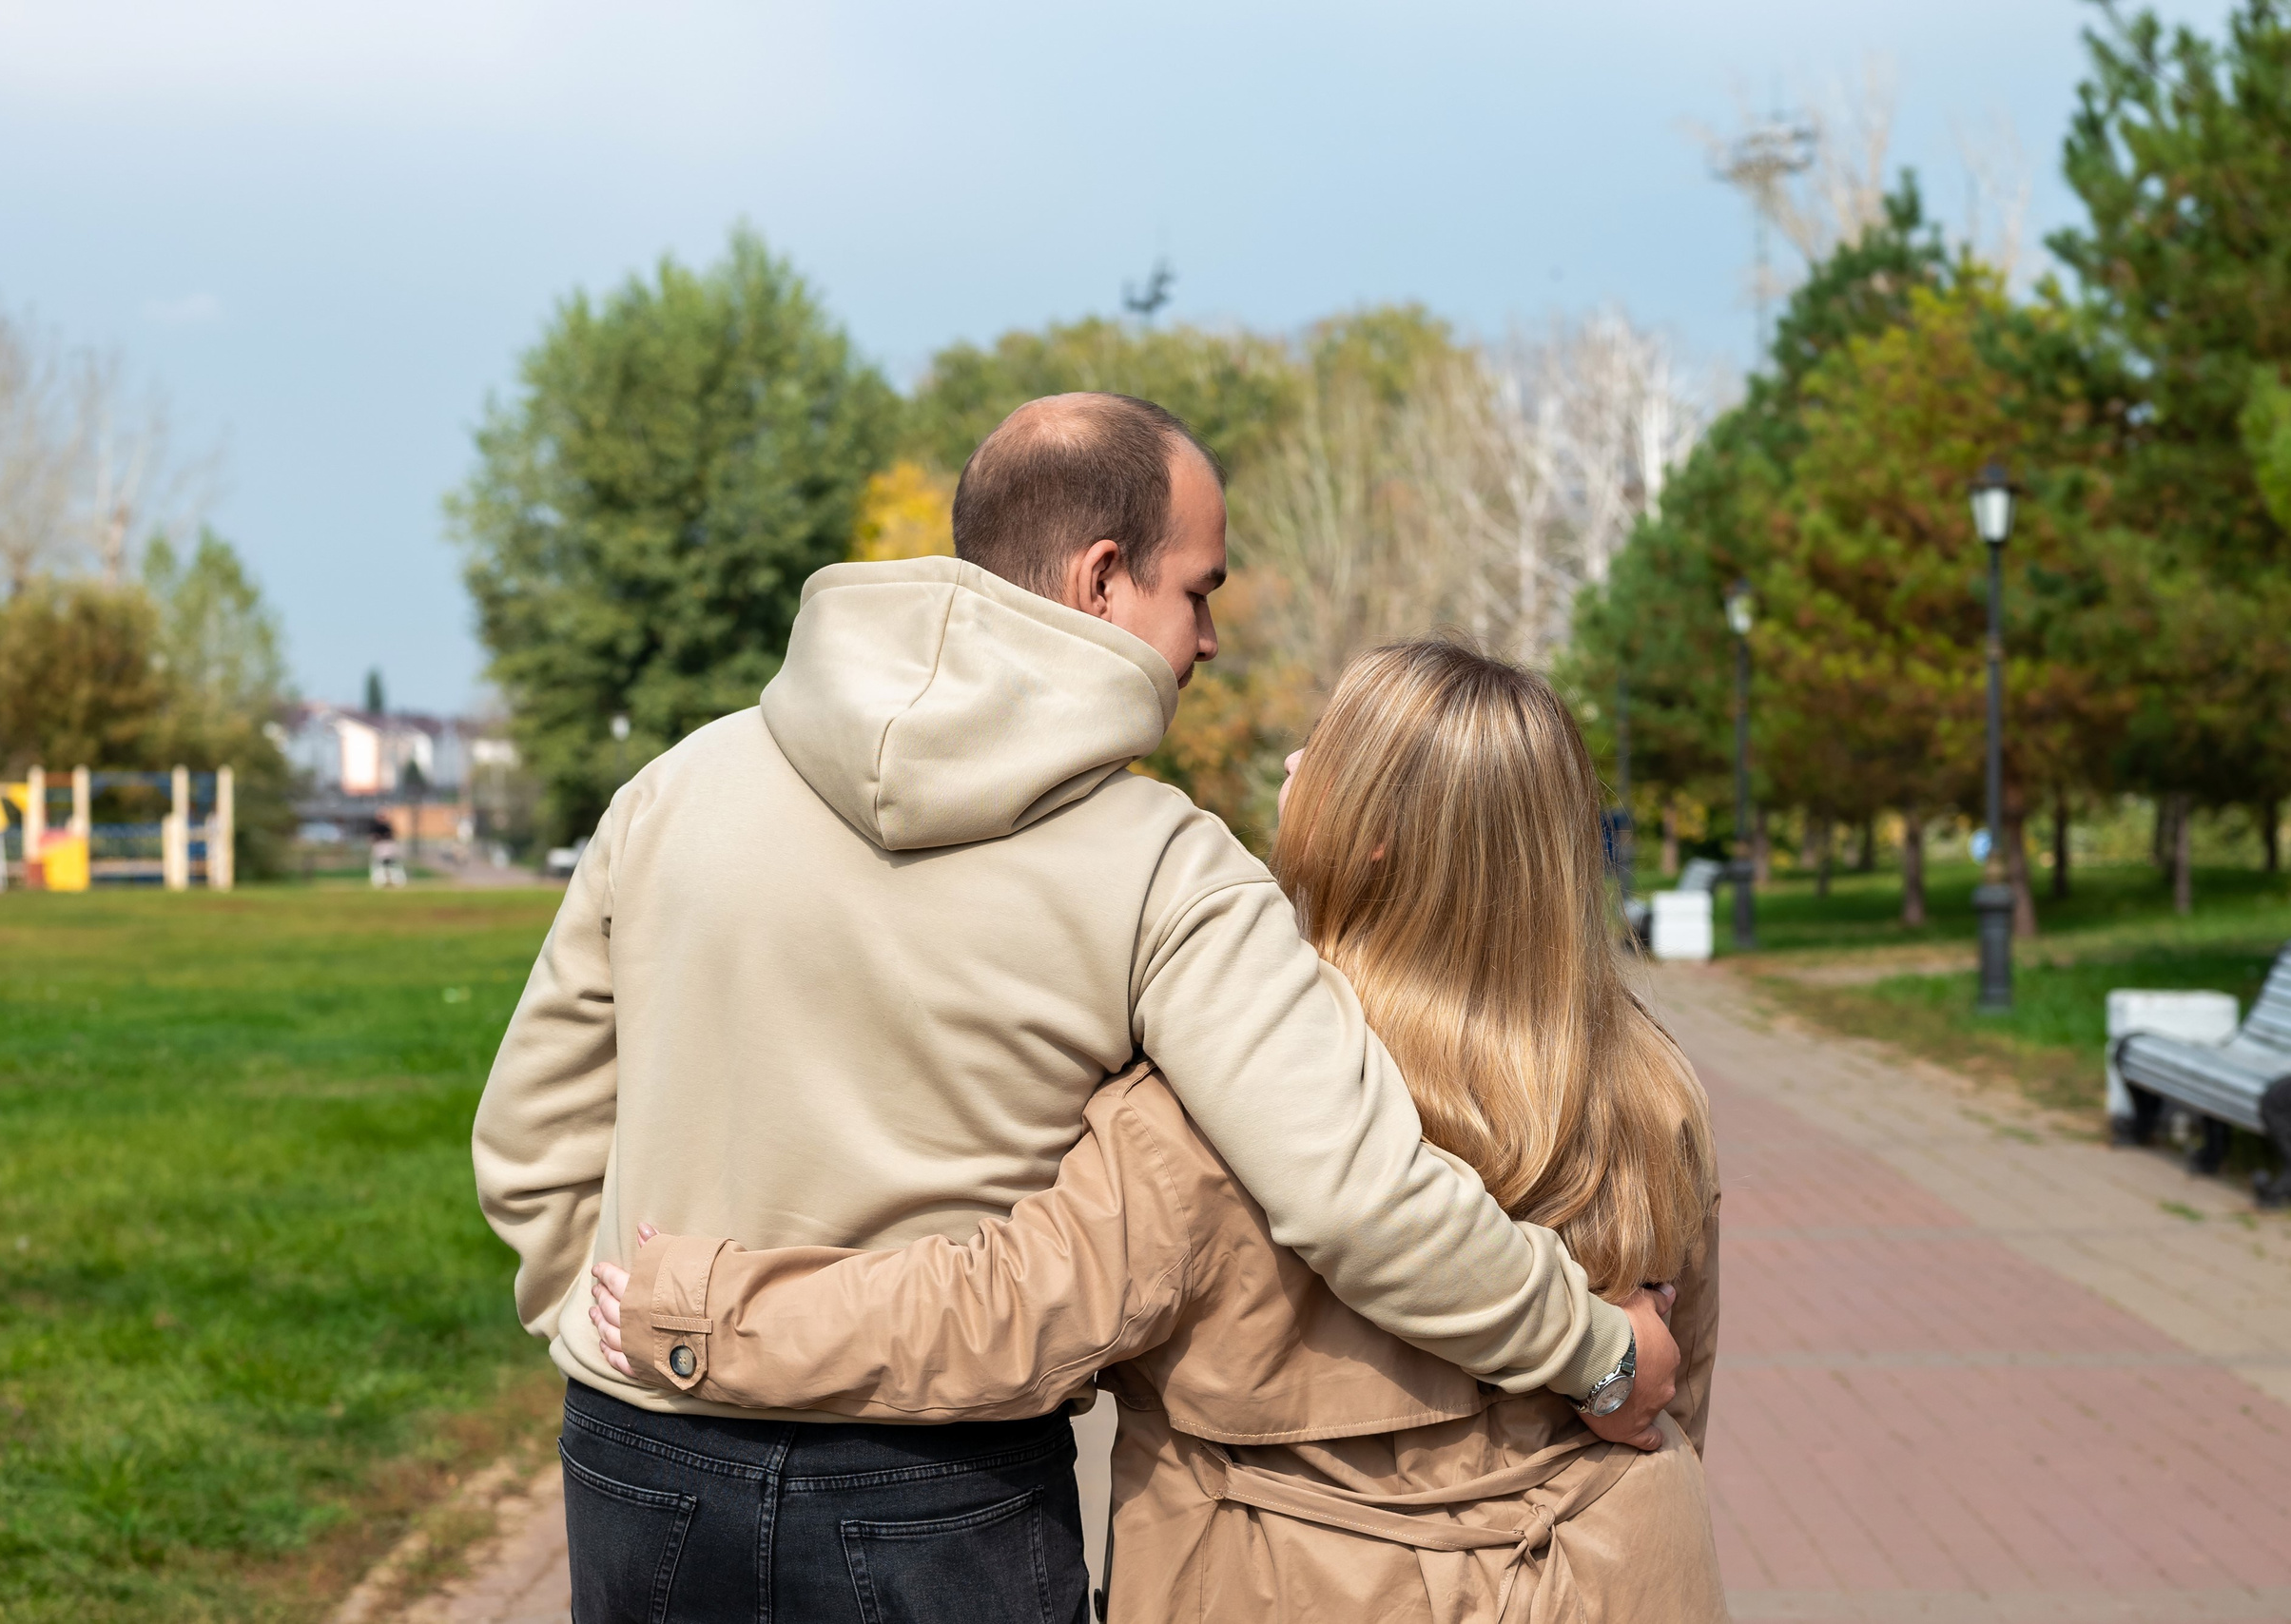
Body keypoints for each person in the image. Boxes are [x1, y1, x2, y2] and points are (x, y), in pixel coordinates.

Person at [471, 397, 1678, 1623]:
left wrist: (605, 1326)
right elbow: (1355, 1194)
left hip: (641, 1446)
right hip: (940, 1482)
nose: (1209, 639)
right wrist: (1600, 1353)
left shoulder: (676, 787)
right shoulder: (1164, 864)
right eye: (1198, 591)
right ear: (1102, 578)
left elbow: (530, 1132)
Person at [591, 641, 1726, 1623]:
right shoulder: (1650, 1085)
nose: (1291, 764)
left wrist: (711, 1315)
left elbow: (1000, 1314)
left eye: (1323, 750)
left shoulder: (1235, 1096)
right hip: (1620, 1573)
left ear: (1377, 837)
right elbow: (1675, 1390)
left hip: (1298, 1584)